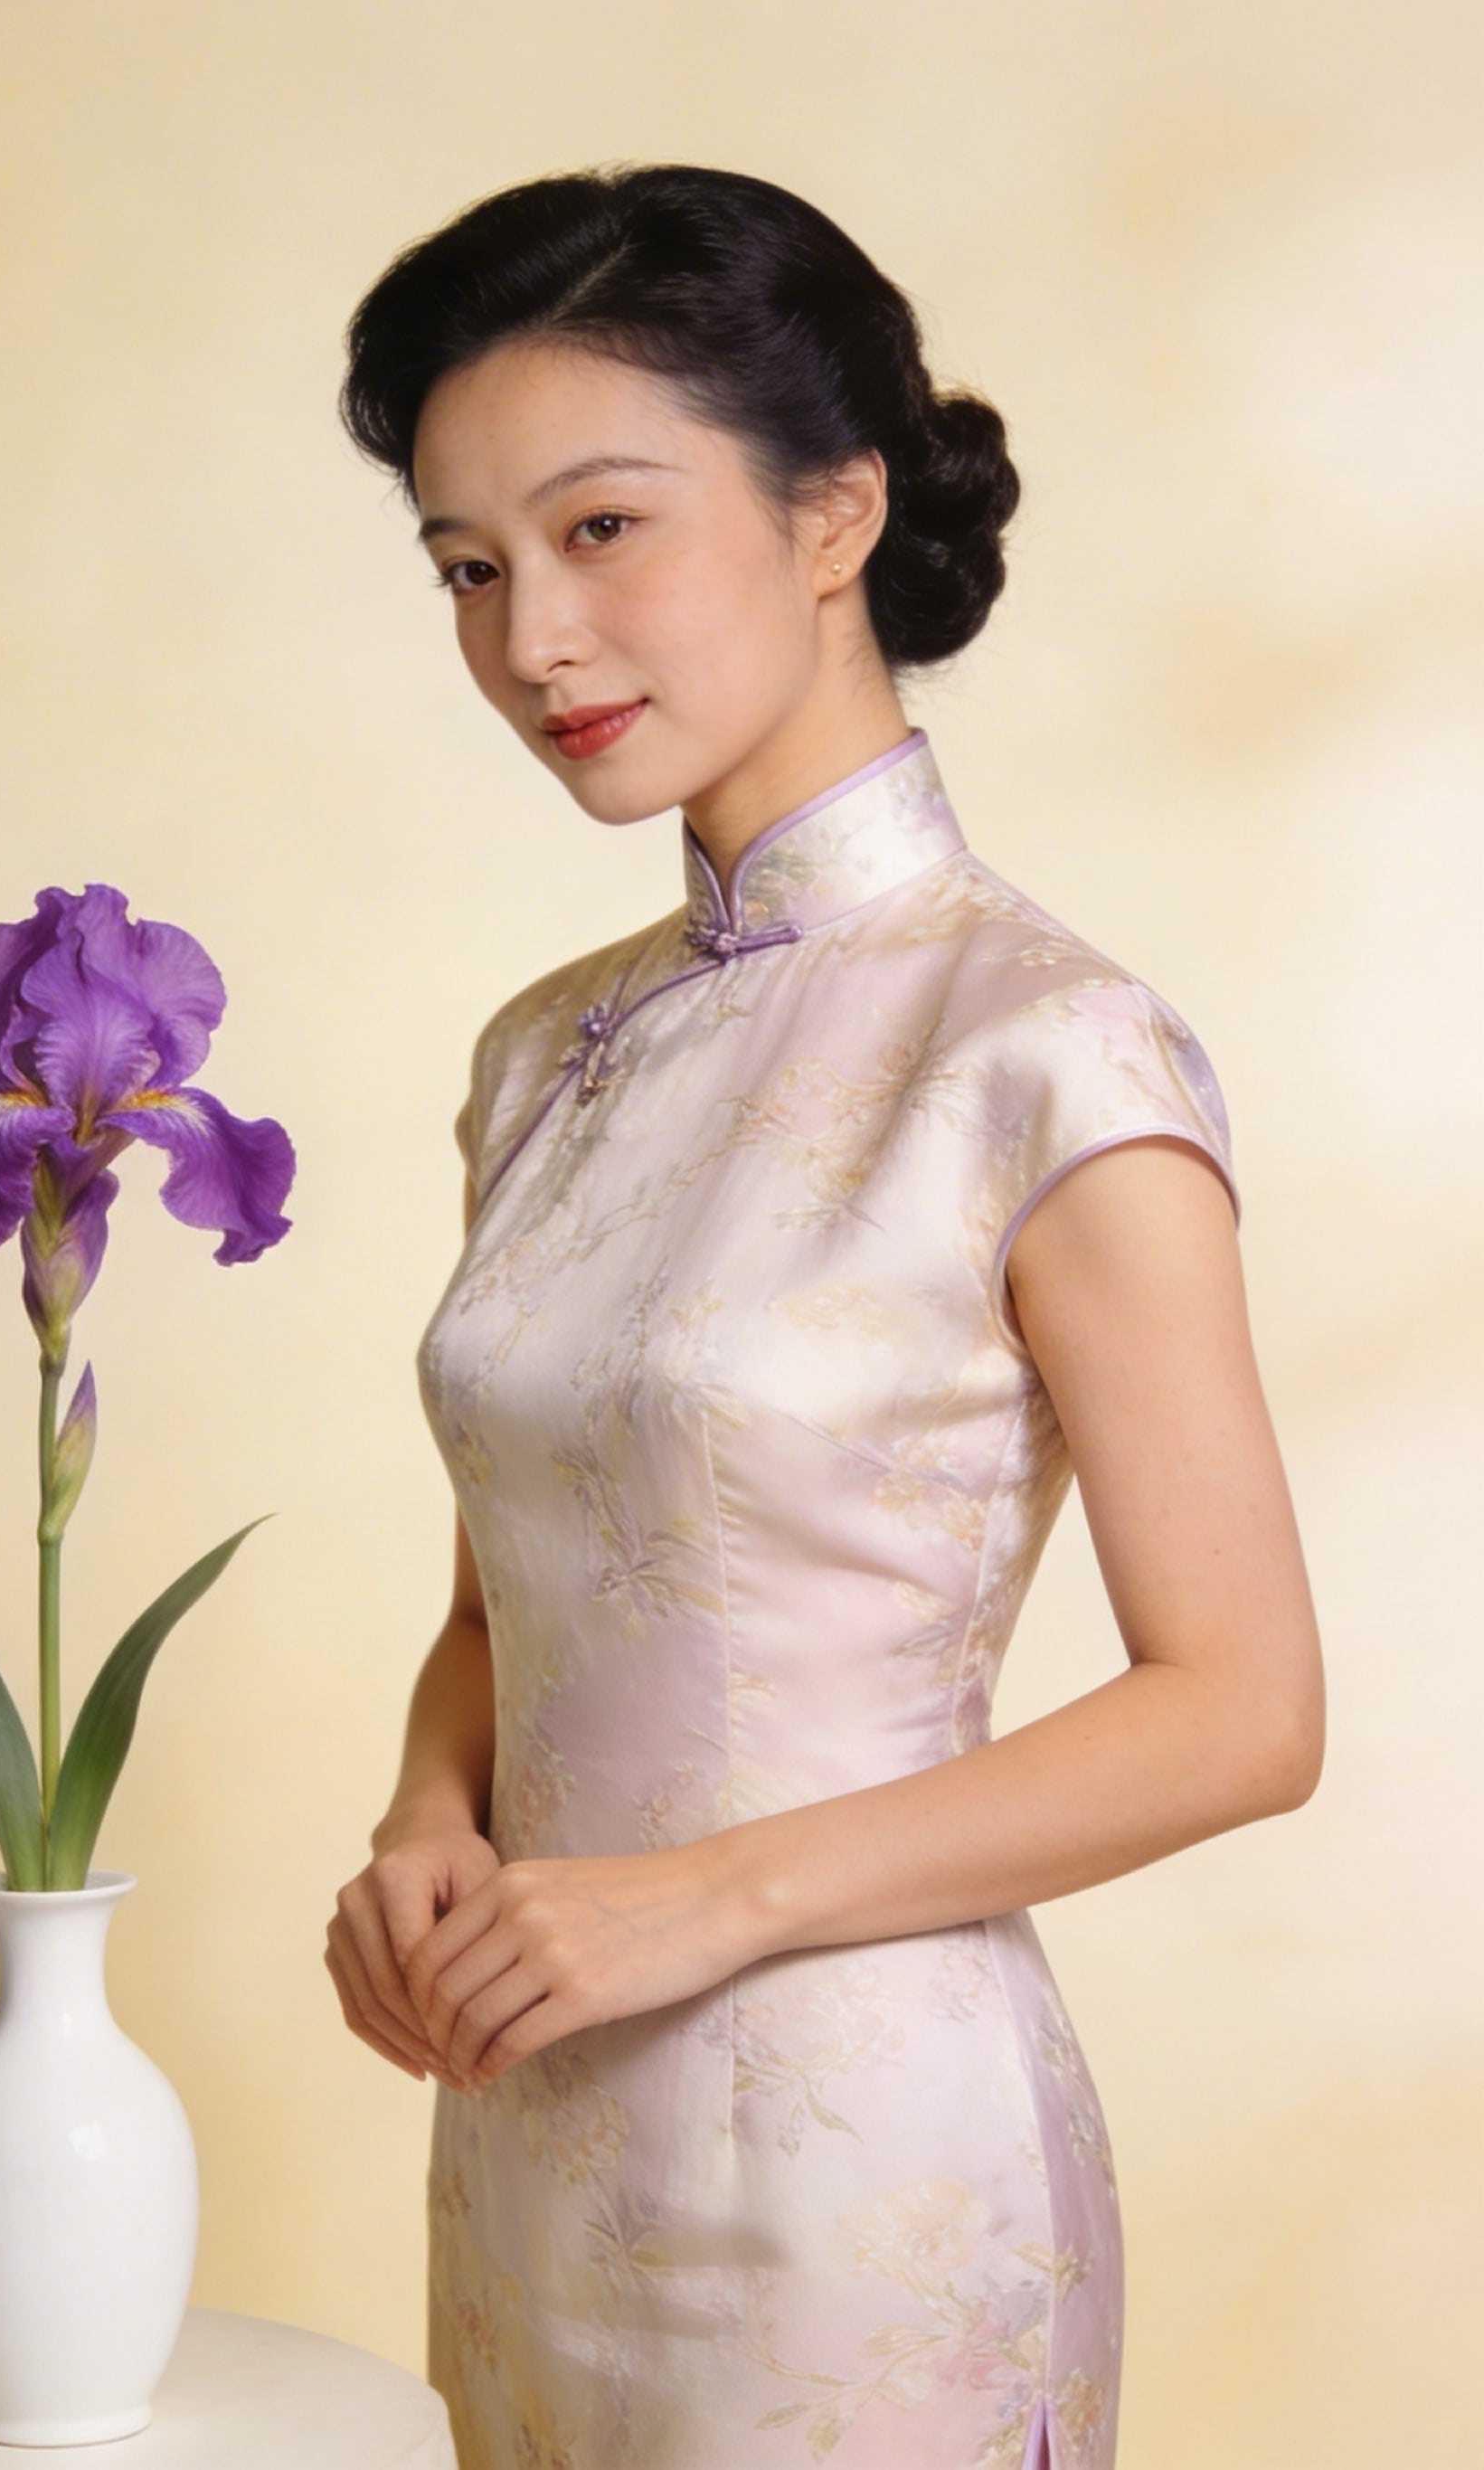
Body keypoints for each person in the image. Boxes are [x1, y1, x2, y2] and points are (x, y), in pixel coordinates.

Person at [323, 162, 1324, 2470]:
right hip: (534, 2124)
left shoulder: (1042, 1046)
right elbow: (512, 1586)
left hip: (870, 2169)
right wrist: (419, 1818)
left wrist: (699, 1904)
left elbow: (1242, 1708)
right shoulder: (537, 1050)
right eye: (468, 569)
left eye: (599, 530)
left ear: (835, 511)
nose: (531, 642)